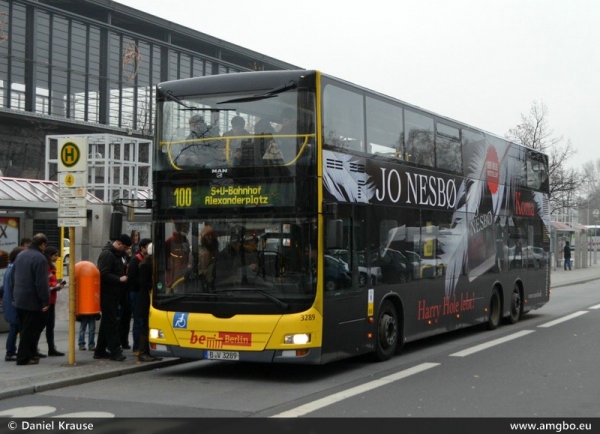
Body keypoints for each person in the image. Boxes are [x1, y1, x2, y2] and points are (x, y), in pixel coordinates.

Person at [11, 233, 50, 365]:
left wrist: (13, 295)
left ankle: (31, 354)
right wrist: (45, 301)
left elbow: (13, 276)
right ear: (42, 244)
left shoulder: (21, 255)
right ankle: (23, 357)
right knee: (30, 330)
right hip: (32, 299)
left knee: (24, 328)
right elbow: (41, 283)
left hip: (19, 297)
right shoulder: (40, 259)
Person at [94, 234, 131, 362]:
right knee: (111, 322)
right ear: (119, 243)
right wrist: (119, 279)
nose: (126, 250)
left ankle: (99, 350)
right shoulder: (108, 254)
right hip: (107, 293)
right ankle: (115, 351)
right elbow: (103, 274)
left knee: (107, 321)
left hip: (115, 293)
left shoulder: (119, 255)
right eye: (125, 247)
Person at [137, 243, 162, 362]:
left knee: (149, 325)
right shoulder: (146, 265)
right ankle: (143, 352)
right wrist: (156, 286)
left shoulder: (151, 264)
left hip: (150, 297)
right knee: (145, 325)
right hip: (146, 298)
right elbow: (144, 283)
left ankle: (149, 351)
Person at [127, 237, 152, 355]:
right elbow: (131, 279)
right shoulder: (135, 260)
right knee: (138, 320)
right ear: (142, 248)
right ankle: (137, 347)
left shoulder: (147, 260)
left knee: (143, 321)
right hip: (136, 293)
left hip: (142, 292)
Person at [40, 246, 66, 357]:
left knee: (50, 325)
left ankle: (51, 348)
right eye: (55, 255)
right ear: (50, 255)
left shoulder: (51, 266)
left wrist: (57, 286)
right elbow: (44, 284)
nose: (57, 257)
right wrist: (55, 286)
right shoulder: (46, 267)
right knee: (42, 325)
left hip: (52, 299)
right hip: (47, 299)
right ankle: (35, 347)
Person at [2, 246, 25, 362]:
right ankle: (10, 352)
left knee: (15, 328)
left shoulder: (10, 268)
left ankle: (12, 351)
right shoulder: (13, 270)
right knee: (14, 328)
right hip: (13, 304)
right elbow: (13, 287)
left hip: (10, 302)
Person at [165, 222, 191, 289]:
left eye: (186, 227)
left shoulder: (186, 241)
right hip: (174, 277)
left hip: (184, 275)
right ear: (178, 227)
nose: (186, 229)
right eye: (183, 227)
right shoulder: (169, 241)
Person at [197, 226, 218, 292]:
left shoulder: (216, 252)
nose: (210, 237)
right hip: (201, 285)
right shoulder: (198, 251)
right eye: (207, 235)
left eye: (211, 235)